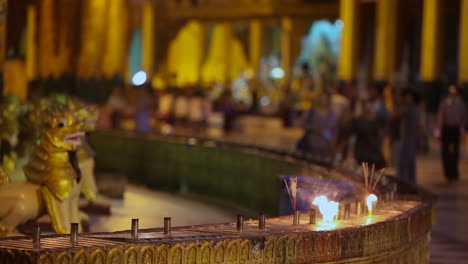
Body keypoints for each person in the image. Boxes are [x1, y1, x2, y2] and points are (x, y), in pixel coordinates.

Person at [436, 85, 466, 182]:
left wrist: (462, 130)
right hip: (446, 129)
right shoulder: (444, 103)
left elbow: (464, 118)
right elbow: (440, 117)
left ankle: (454, 173)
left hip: (456, 129)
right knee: (445, 152)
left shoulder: (461, 104)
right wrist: (438, 132)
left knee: (455, 152)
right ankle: (448, 173)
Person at [297, 92, 337, 159]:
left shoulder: (331, 114)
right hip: (310, 145)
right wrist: (313, 128)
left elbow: (334, 132)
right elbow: (302, 124)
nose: (322, 101)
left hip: (325, 148)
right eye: (321, 98)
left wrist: (332, 144)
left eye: (325, 99)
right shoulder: (311, 112)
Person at [349, 100, 386, 169]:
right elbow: (351, 136)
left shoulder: (376, 122)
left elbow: (380, 136)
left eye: (369, 105)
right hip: (361, 153)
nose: (368, 108)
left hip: (373, 154)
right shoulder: (358, 121)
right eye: (366, 106)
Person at [397, 90, 421, 184]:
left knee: (405, 162)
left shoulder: (410, 110)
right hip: (409, 139)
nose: (407, 99)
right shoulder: (414, 110)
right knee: (409, 163)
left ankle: (404, 182)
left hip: (409, 139)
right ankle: (410, 182)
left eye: (408, 97)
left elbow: (397, 114)